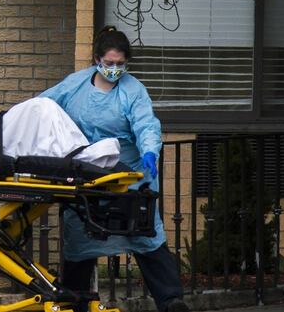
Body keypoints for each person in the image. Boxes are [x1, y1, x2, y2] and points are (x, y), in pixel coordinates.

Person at [40, 26, 188, 312]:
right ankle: (75, 302)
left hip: (128, 176)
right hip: (86, 176)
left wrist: (148, 151)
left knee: (145, 236)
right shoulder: (75, 85)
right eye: (109, 63)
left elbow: (146, 124)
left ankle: (171, 301)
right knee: (81, 240)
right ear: (97, 59)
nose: (114, 69)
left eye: (120, 64)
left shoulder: (133, 91)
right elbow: (43, 106)